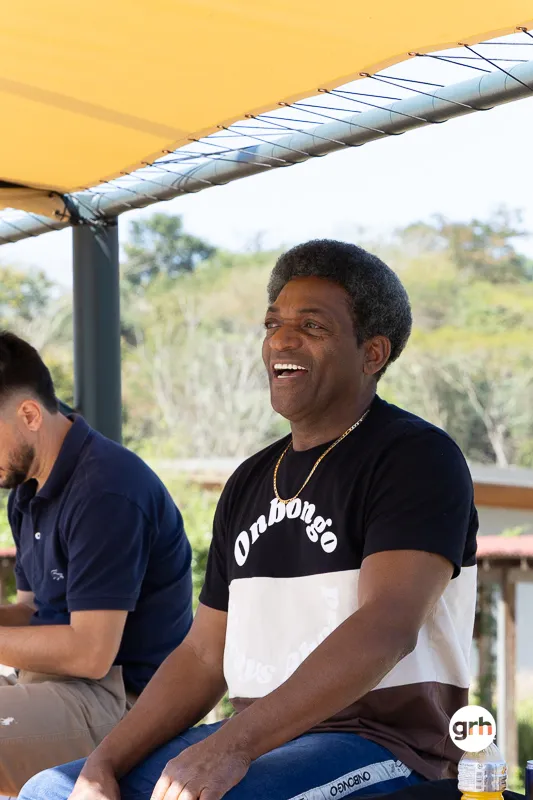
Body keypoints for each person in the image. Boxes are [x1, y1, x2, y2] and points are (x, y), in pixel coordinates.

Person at [20, 240, 478, 800]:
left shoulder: (415, 457)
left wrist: (231, 748)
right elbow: (202, 655)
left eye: (312, 326)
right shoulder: (250, 480)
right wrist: (103, 763)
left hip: (385, 743)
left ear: (373, 353)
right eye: (272, 324)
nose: (281, 340)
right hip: (262, 740)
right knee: (51, 790)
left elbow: (387, 625)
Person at [0, 332, 193, 795]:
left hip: (128, 704)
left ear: (29, 415)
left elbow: (90, 653)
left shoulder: (106, 490)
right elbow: (33, 611)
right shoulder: (26, 489)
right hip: (57, 683)